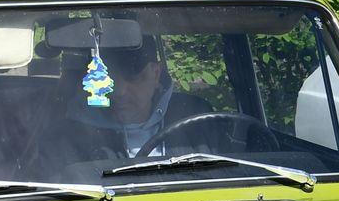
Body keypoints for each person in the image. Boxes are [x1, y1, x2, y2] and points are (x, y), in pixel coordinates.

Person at [52, 34, 216, 164]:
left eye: (133, 78)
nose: (119, 92)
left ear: (156, 74)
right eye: (108, 81)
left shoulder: (199, 119)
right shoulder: (70, 134)